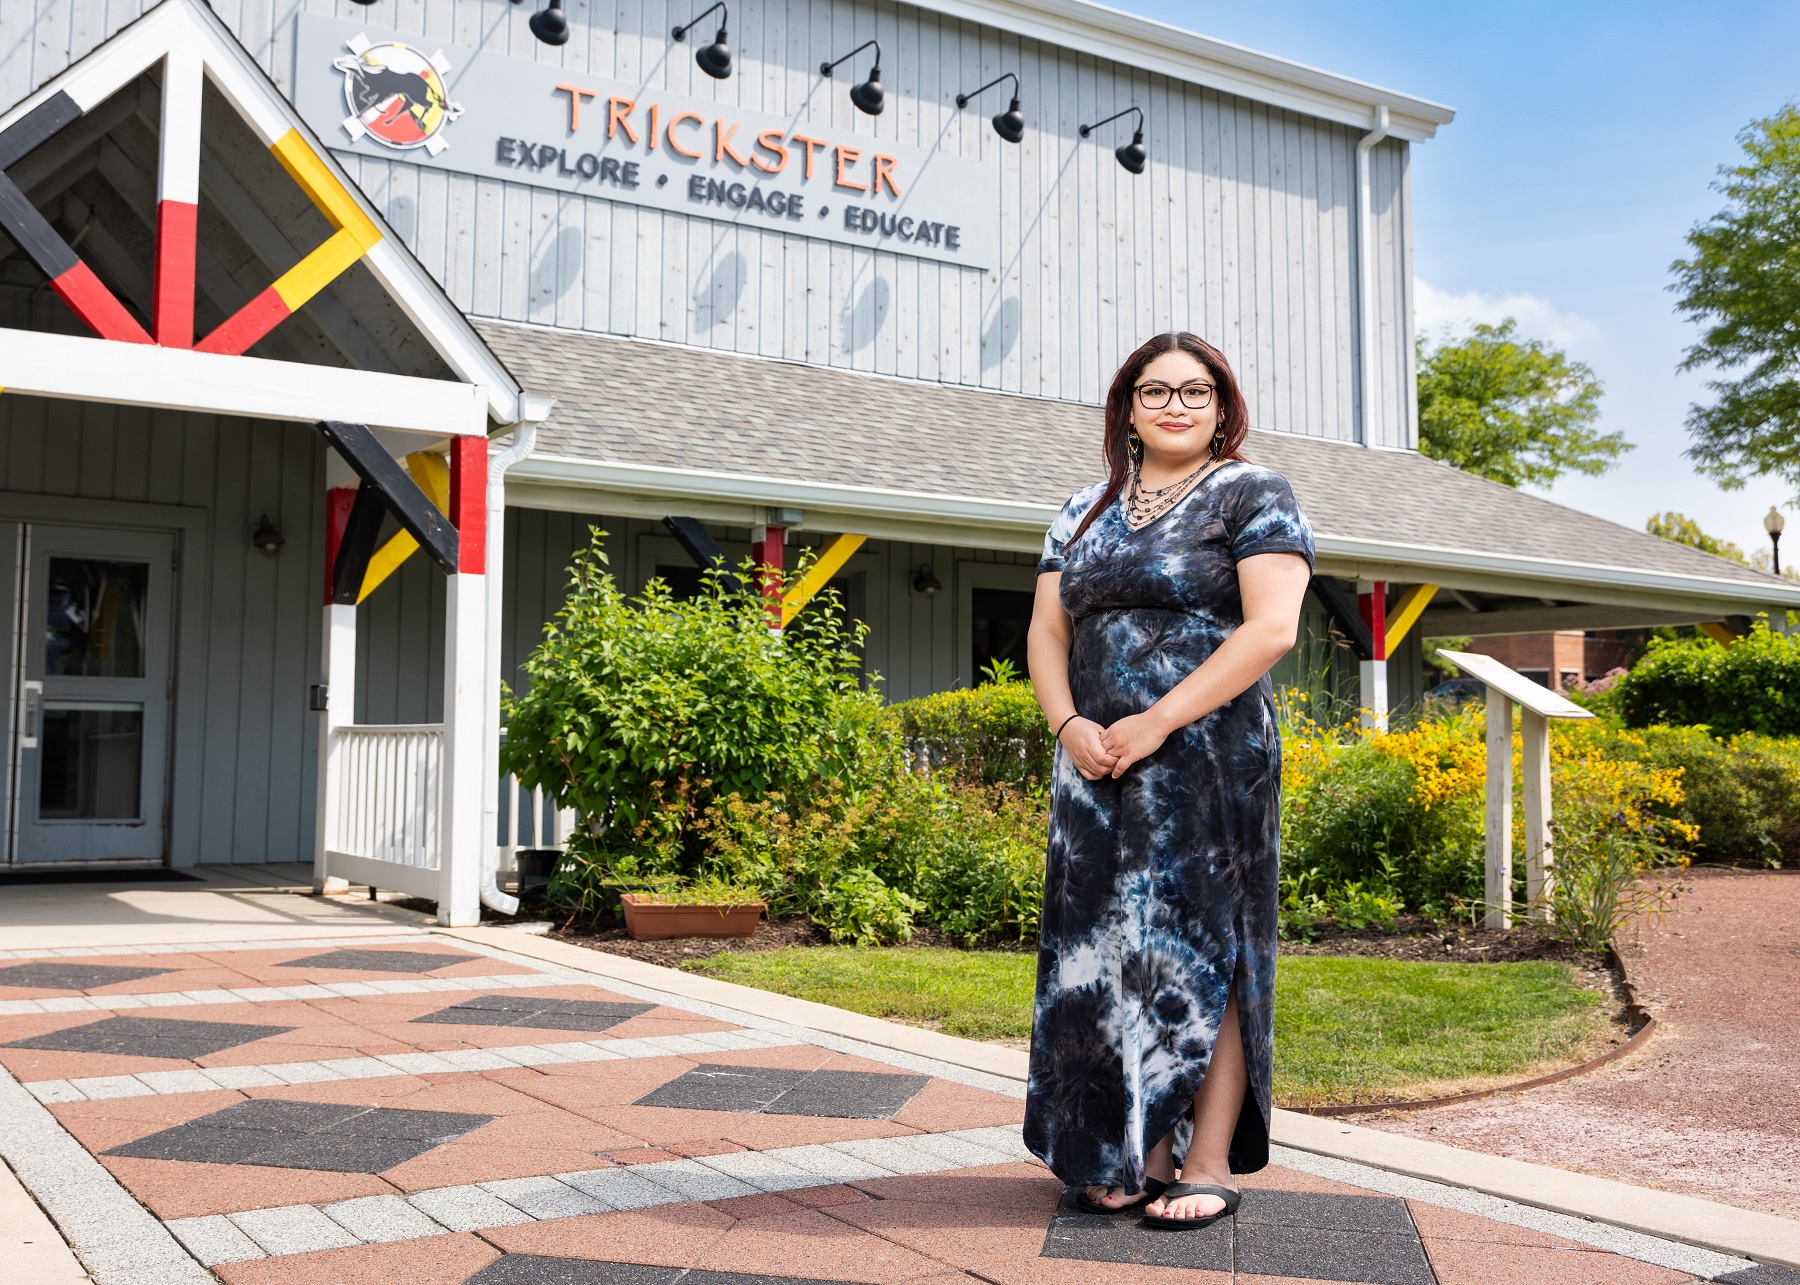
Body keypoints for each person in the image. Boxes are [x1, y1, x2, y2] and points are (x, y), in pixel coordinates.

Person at [1023, 331, 1314, 1229]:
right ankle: (1128, 1153)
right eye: (1157, 390)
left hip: (1209, 763)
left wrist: (1156, 720)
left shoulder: (1253, 493)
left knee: (1202, 948)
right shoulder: (1080, 508)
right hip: (1095, 767)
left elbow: (1271, 629)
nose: (1177, 404)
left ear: (1222, 406)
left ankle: (1209, 1157)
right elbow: (1046, 632)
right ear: (1129, 408)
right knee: (1104, 954)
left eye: (1196, 391)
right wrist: (1070, 724)